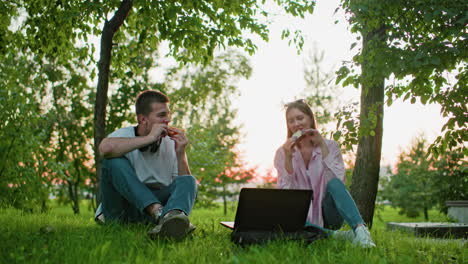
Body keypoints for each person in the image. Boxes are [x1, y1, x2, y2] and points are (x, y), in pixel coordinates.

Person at [94, 90, 197, 241]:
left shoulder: (171, 143)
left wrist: (180, 153)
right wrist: (149, 138)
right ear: (142, 119)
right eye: (161, 115)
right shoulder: (124, 135)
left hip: (153, 210)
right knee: (113, 161)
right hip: (122, 210)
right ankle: (159, 214)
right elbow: (105, 149)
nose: (167, 120)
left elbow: (183, 184)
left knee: (190, 180)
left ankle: (170, 219)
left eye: (168, 115)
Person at [274, 99, 375, 248]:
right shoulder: (282, 153)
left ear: (310, 118)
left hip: (329, 215)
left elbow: (338, 182)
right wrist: (288, 157)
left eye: (300, 118)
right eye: (291, 121)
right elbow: (285, 193)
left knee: (334, 183)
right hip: (302, 219)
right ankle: (337, 236)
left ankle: (361, 231)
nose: (296, 124)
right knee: (282, 215)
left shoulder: (331, 146)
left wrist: (321, 145)